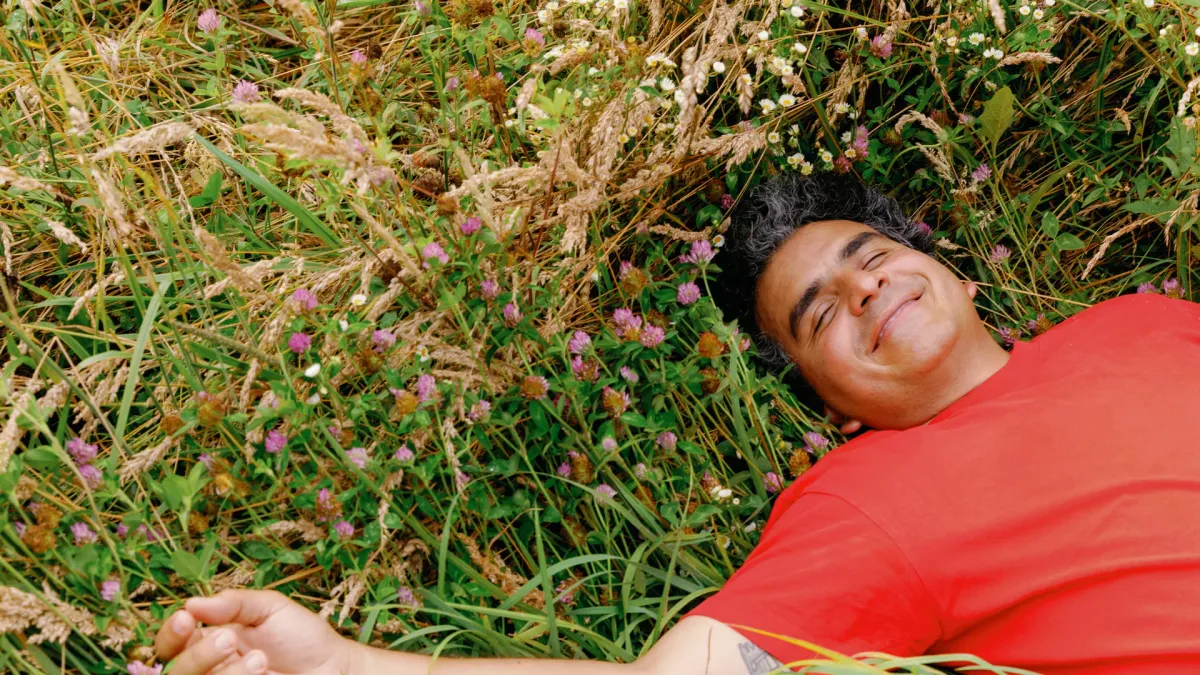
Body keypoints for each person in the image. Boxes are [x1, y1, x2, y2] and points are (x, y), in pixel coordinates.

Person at [156, 174, 1200, 675]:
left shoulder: (1141, 324)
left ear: (949, 270)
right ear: (831, 403)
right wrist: (352, 668)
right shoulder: (868, 503)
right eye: (819, 315)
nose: (863, 291)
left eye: (865, 257)